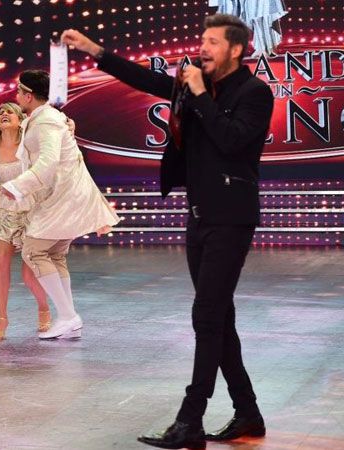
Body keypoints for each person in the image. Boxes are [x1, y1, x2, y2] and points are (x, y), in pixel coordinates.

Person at [62, 13, 274, 449]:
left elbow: (232, 141)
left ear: (236, 50)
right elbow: (145, 79)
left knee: (207, 316)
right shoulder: (195, 85)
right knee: (219, 318)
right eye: (203, 39)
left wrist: (200, 94)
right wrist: (94, 50)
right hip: (199, 215)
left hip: (231, 217)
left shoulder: (254, 93)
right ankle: (248, 412)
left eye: (213, 42)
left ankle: (189, 420)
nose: (203, 48)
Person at [0, 70, 119, 342]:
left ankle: (68, 316)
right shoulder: (45, 118)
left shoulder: (47, 121)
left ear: (28, 95)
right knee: (54, 254)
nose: (16, 96)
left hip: (63, 198)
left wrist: (17, 186)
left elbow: (49, 162)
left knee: (33, 251)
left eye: (19, 92)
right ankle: (69, 318)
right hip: (61, 196)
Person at [0, 102, 72, 341]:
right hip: (5, 206)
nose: (4, 114)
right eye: (1, 112)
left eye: (10, 111)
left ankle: (44, 307)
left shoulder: (30, 141)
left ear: (21, 119)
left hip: (32, 204)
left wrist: (70, 125)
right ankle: (2, 318)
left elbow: (58, 132)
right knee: (1, 261)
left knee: (29, 272)